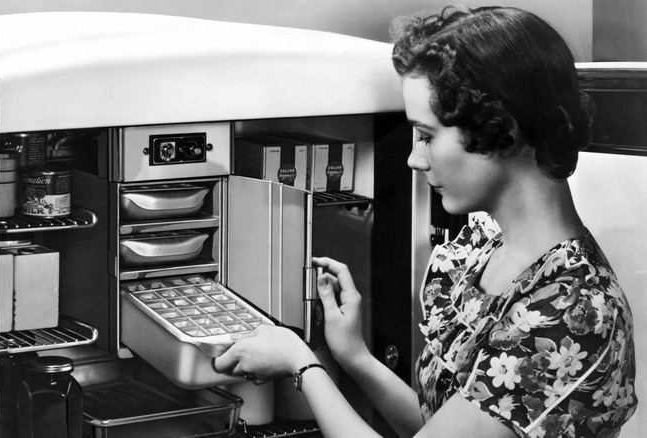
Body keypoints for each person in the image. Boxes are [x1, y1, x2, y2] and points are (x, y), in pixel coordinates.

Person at [213, 5, 638, 438]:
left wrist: (301, 364)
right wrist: (353, 355)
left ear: (501, 129)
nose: (415, 159)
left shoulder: (574, 311)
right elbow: (435, 428)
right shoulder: (486, 243)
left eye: (428, 136)